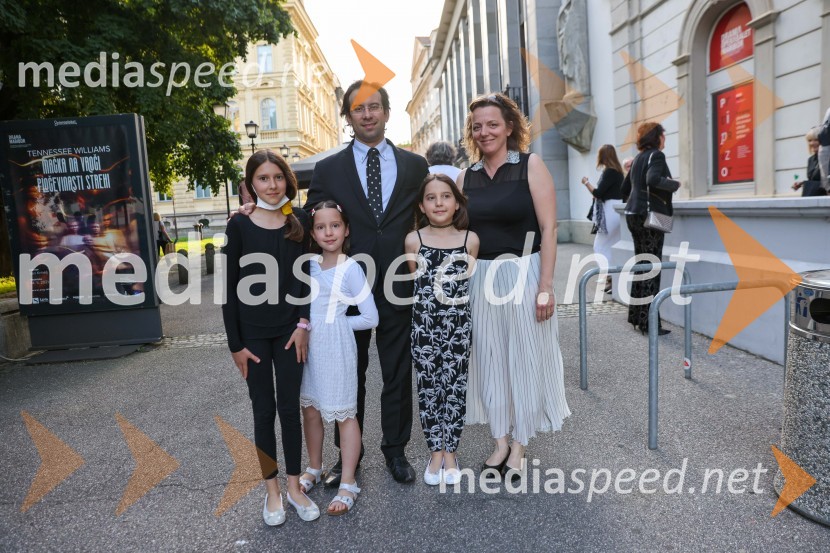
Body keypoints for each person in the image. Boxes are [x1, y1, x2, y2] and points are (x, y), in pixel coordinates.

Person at [303, 80, 429, 486]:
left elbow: (432, 214)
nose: (368, 114)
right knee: (347, 371)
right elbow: (310, 221)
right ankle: (348, 455)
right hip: (346, 286)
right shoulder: (328, 169)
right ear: (348, 117)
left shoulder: (415, 166)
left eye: (374, 106)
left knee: (397, 371)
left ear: (387, 112)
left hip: (399, 281)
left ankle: (396, 449)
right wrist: (265, 212)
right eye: (358, 108)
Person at [456, 92, 570, 480]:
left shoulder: (530, 165)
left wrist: (546, 286)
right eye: (477, 126)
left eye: (492, 124)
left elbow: (549, 229)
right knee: (489, 360)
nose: (484, 132)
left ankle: (520, 443)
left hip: (524, 271)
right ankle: (500, 440)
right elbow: (460, 235)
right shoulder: (465, 177)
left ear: (508, 127)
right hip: (481, 279)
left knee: (524, 357)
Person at [221, 149, 318, 526]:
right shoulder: (239, 226)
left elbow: (306, 278)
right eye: (263, 178)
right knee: (263, 411)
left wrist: (303, 323)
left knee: (290, 410)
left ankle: (294, 487)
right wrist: (236, 346)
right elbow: (228, 290)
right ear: (250, 184)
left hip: (291, 332)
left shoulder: (299, 220)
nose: (272, 185)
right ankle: (272, 491)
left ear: (287, 180)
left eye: (278, 177)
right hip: (252, 337)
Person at [299, 201, 379, 515]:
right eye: (320, 227)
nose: (328, 232)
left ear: (346, 230)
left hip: (338, 347)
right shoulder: (308, 265)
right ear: (312, 233)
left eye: (335, 225)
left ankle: (348, 481)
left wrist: (337, 325)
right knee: (310, 410)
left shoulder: (351, 268)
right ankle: (314, 467)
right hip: (310, 347)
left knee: (345, 414)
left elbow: (370, 317)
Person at [404, 174, 479, 486]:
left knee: (455, 389)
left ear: (457, 203)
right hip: (424, 327)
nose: (439, 203)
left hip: (458, 327)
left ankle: (451, 452)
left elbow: (467, 282)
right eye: (431, 198)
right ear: (422, 206)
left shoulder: (470, 240)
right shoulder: (414, 240)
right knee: (429, 389)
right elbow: (417, 283)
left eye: (446, 196)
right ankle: (435, 451)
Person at [621, 122, 680, 336]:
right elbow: (653, 179)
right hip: (651, 216)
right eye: (664, 136)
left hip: (633, 214)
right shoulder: (656, 156)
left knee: (642, 265)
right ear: (657, 137)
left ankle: (637, 317)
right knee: (652, 268)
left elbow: (624, 189)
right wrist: (674, 184)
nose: (665, 140)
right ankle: (649, 323)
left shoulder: (638, 158)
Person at [581, 145, 625, 293]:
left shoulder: (609, 172)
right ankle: (614, 280)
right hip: (616, 210)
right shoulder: (618, 172)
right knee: (612, 245)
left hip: (609, 212)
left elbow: (598, 193)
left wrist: (586, 182)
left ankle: (611, 277)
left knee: (599, 246)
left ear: (602, 156)